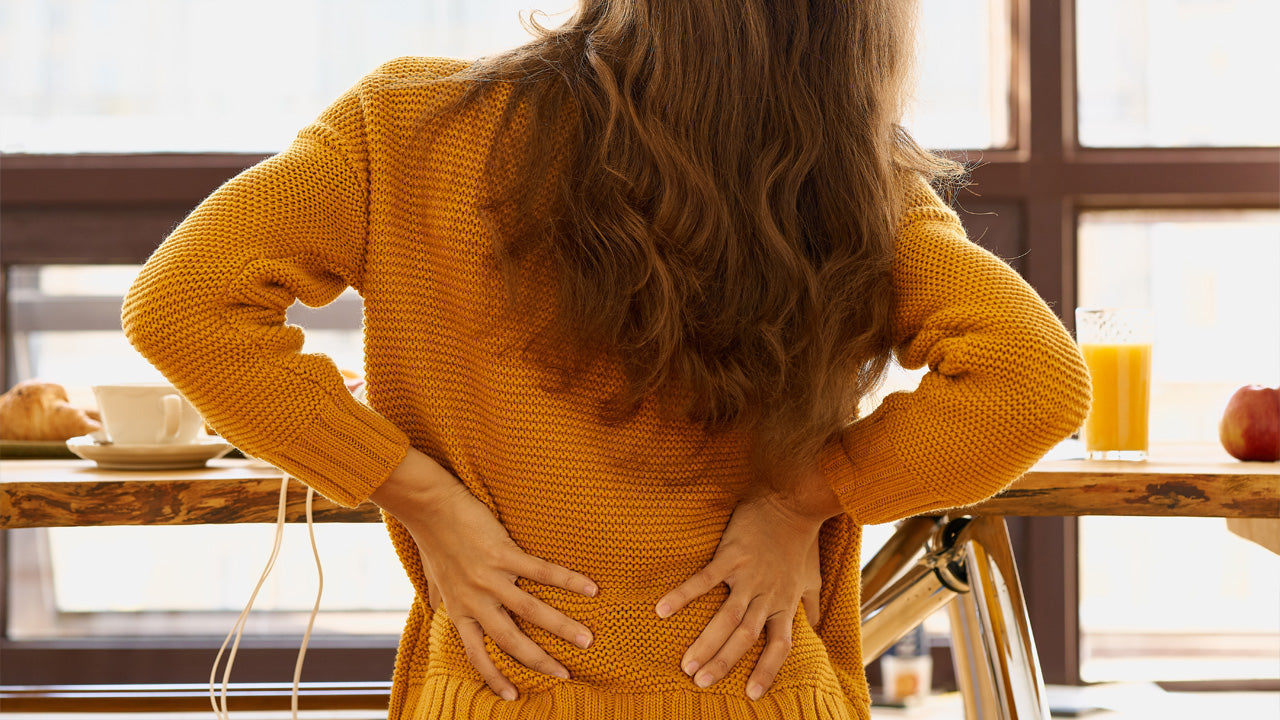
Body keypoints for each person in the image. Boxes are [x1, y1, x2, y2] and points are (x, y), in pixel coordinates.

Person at [122, 0, 1091, 718]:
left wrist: (419, 496)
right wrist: (804, 496)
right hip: (755, 688)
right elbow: (1033, 382)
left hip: (501, 689)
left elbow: (182, 306)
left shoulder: (408, 124)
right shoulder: (854, 177)